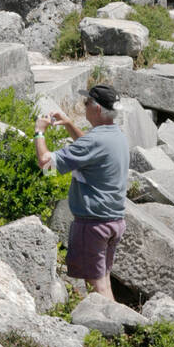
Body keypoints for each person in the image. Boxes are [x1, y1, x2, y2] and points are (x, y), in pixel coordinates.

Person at [34, 84, 128, 299]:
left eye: (86, 103)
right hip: (114, 221)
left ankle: (108, 331)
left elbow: (46, 165)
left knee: (98, 288)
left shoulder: (93, 141)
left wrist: (40, 131)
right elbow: (90, 147)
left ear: (95, 109)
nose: (83, 107)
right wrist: (68, 124)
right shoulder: (116, 136)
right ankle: (119, 324)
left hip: (93, 225)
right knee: (104, 281)